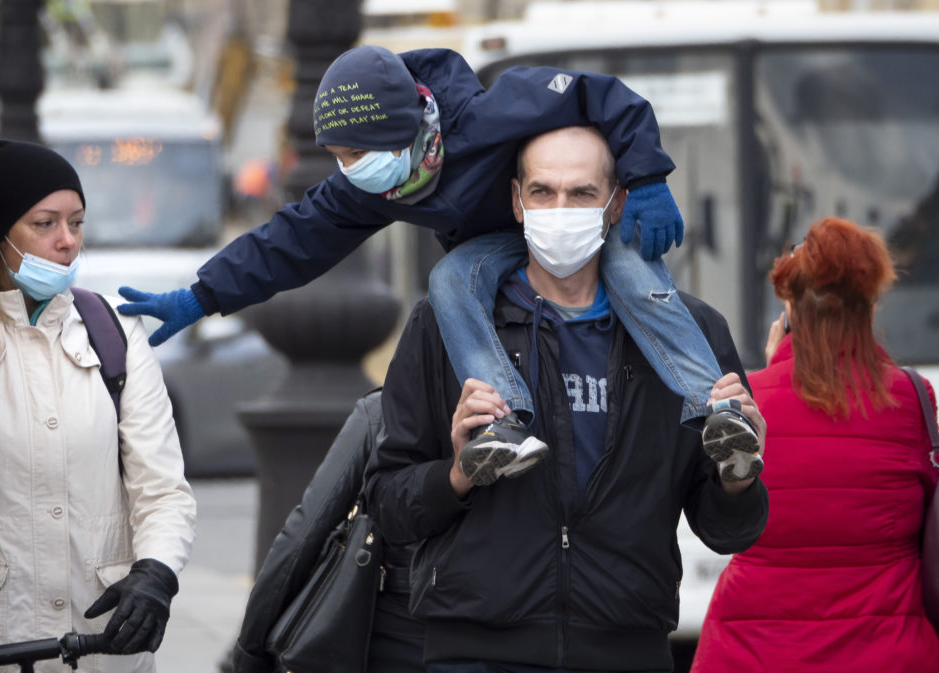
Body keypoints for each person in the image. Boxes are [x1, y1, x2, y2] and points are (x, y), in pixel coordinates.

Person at [116, 45, 761, 485]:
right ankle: (505, 423)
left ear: (410, 127)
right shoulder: (371, 186)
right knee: (449, 278)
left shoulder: (496, 111)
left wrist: (646, 177)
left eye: (360, 153)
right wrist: (200, 297)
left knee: (631, 276)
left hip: (571, 219)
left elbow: (606, 97)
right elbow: (290, 240)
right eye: (340, 156)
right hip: (507, 246)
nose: (353, 169)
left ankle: (715, 409)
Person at [363, 125, 769, 672]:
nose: (560, 209)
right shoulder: (447, 326)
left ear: (615, 203)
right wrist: (457, 474)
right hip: (475, 651)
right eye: (542, 192)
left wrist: (738, 478)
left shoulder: (693, 336)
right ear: (516, 200)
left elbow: (729, 531)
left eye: (581, 194)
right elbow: (388, 504)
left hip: (625, 647)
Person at [0, 139, 197, 673]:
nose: (67, 241)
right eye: (44, 223)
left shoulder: (116, 333)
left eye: (77, 222)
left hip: (100, 651)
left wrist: (156, 571)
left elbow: (162, 489)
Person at [691, 216, 939, 673]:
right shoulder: (911, 398)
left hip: (752, 653)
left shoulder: (749, 402)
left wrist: (773, 370)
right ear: (869, 304)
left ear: (787, 305)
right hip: (887, 653)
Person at [231, 390, 425, 673]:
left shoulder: (385, 410)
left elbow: (304, 533)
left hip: (392, 634)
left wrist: (249, 649)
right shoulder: (509, 419)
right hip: (499, 638)